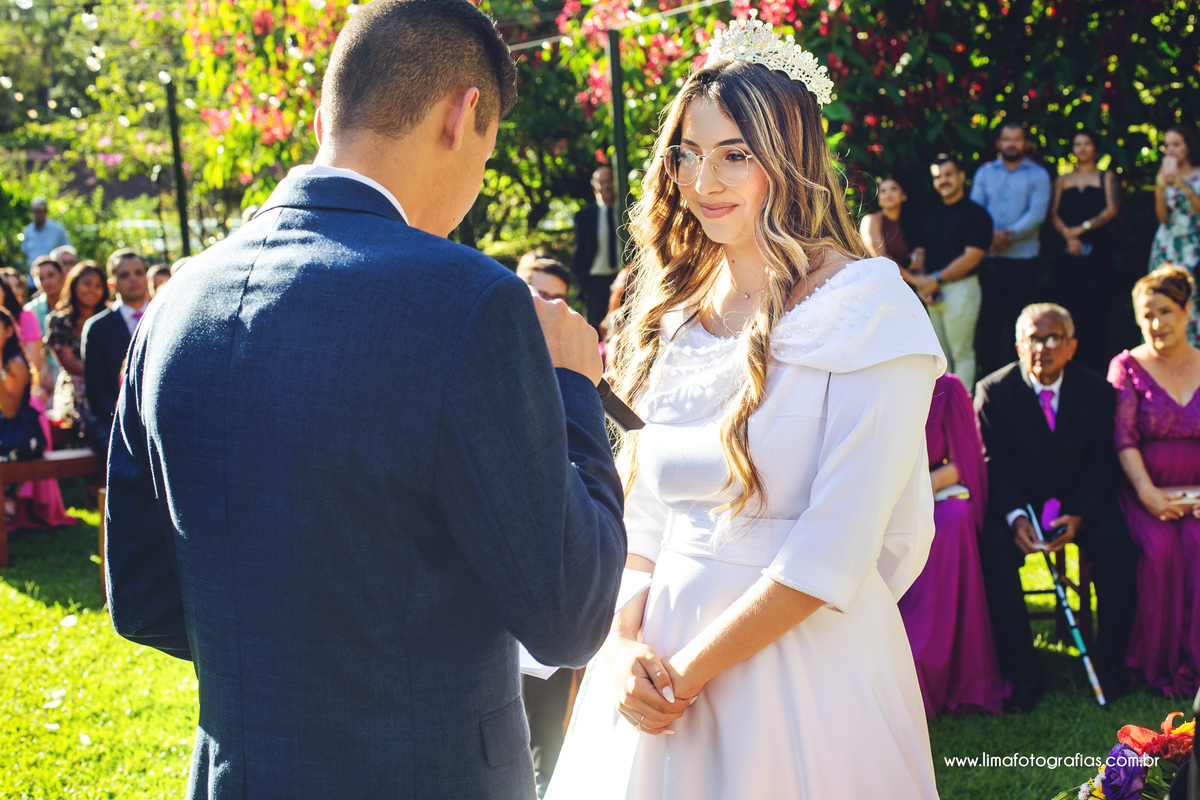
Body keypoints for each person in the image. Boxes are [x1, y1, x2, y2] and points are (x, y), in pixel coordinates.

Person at [103, 2, 627, 798]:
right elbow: (571, 612)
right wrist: (573, 388)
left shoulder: (176, 303)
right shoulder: (468, 301)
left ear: (327, 109)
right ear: (464, 115)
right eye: (487, 159)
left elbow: (140, 598)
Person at [547, 19, 943, 799]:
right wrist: (625, 649)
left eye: (734, 155)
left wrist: (688, 675)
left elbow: (841, 540)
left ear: (791, 161)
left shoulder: (870, 310)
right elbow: (646, 518)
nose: (701, 183)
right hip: (651, 670)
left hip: (802, 675)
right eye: (688, 156)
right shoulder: (679, 315)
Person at [974, 303, 1138, 711]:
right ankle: (1023, 674)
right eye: (1033, 338)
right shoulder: (993, 391)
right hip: (1019, 505)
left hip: (1081, 501)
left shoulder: (1098, 391)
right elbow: (989, 463)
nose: (1042, 348)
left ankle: (1110, 665)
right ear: (1018, 345)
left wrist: (1079, 513)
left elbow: (1104, 460)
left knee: (1118, 544)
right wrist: (1014, 516)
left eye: (1053, 339)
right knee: (990, 547)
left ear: (1071, 346)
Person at [1108, 267, 1200, 698]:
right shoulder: (1127, 366)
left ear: (1186, 312)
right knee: (1162, 549)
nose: (1157, 324)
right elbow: (1123, 438)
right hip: (1144, 487)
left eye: (1165, 312)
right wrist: (1146, 492)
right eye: (1147, 315)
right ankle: (1155, 661)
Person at [898, 373, 1009, 717]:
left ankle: (945, 661)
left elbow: (966, 461)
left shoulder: (947, 387)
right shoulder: (858, 378)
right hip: (874, 498)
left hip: (931, 494)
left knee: (957, 516)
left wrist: (918, 490)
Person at [971, 122, 1053, 377]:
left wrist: (1007, 236)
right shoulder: (984, 173)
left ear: (1025, 144)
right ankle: (989, 378)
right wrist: (989, 237)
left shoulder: (1038, 175)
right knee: (988, 324)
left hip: (1023, 260)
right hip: (989, 260)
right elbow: (975, 209)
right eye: (1007, 139)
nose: (1011, 144)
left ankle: (1021, 377)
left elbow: (1037, 214)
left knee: (1020, 323)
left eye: (1017, 139)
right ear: (999, 143)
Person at [910, 155, 993, 390]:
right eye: (937, 177)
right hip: (932, 292)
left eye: (948, 175)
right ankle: (942, 413)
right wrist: (925, 284)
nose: (943, 181)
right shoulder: (932, 213)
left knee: (961, 353)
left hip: (962, 289)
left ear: (961, 177)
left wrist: (935, 278)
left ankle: (962, 415)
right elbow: (922, 251)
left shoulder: (977, 215)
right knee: (939, 356)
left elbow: (972, 257)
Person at [1049, 130, 1121, 371]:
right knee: (1069, 305)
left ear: (1095, 148)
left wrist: (1081, 229)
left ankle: (1094, 366)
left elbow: (1111, 210)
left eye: (1086, 144)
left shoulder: (1105, 177)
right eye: (1076, 144)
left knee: (1095, 308)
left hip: (1097, 253)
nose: (1081, 149)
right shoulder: (1062, 180)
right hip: (1068, 252)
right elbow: (1054, 214)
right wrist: (1068, 235)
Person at [81, 249, 148, 453]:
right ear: (112, 283)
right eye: (124, 275)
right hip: (119, 425)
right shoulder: (98, 328)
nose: (133, 279)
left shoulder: (166, 316)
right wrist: (132, 419)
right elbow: (97, 392)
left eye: (138, 272)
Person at [46, 261, 109, 441]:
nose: (92, 290)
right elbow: (68, 362)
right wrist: (102, 373)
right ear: (74, 285)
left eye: (98, 285)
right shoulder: (59, 321)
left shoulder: (109, 319)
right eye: (87, 284)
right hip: (77, 387)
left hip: (109, 384)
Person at [1150, 125, 1200, 346]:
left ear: (1188, 146)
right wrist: (1160, 189)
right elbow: (1162, 217)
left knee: (1192, 298)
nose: (1170, 150)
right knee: (1163, 295)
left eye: (1176, 145)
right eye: (1167, 146)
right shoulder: (1163, 176)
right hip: (1168, 245)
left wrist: (1182, 184)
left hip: (1194, 243)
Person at [0, 307, 43, 522]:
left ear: (9, 331)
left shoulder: (14, 363)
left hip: (18, 436)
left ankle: (7, 506)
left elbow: (10, 411)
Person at [571, 165, 620, 329]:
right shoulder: (585, 216)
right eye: (602, 182)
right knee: (594, 328)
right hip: (595, 282)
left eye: (609, 181)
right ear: (595, 188)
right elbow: (579, 252)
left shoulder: (625, 212)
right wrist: (584, 282)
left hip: (621, 281)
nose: (606, 185)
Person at [859, 175, 920, 271]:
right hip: (883, 279)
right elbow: (880, 258)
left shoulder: (911, 221)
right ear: (879, 199)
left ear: (903, 195)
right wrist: (914, 280)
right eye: (883, 191)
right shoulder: (871, 221)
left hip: (912, 280)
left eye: (893, 189)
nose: (888, 194)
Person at [26, 255, 65, 388]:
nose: (46, 281)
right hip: (45, 372)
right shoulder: (31, 311)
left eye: (51, 275)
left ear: (62, 275)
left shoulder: (73, 303)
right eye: (40, 278)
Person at [20, 199, 71, 267]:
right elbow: (25, 253)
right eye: (35, 211)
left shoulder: (57, 229)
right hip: (33, 274)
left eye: (40, 211)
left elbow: (68, 249)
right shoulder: (28, 231)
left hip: (52, 273)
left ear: (46, 212)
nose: (37, 214)